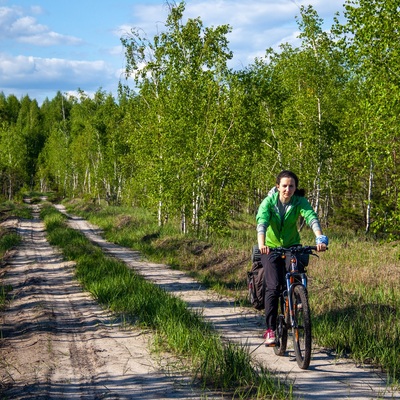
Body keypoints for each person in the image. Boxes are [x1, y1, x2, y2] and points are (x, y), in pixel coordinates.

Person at [256, 170, 328, 346]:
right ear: (277, 187)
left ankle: (297, 298)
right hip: (270, 248)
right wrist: (262, 243)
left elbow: (311, 217)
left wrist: (319, 238)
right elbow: (262, 222)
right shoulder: (269, 202)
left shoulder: (299, 202)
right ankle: (270, 330)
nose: (288, 189)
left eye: (291, 186)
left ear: (295, 188)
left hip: (292, 245)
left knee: (296, 270)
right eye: (284, 186)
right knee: (273, 286)